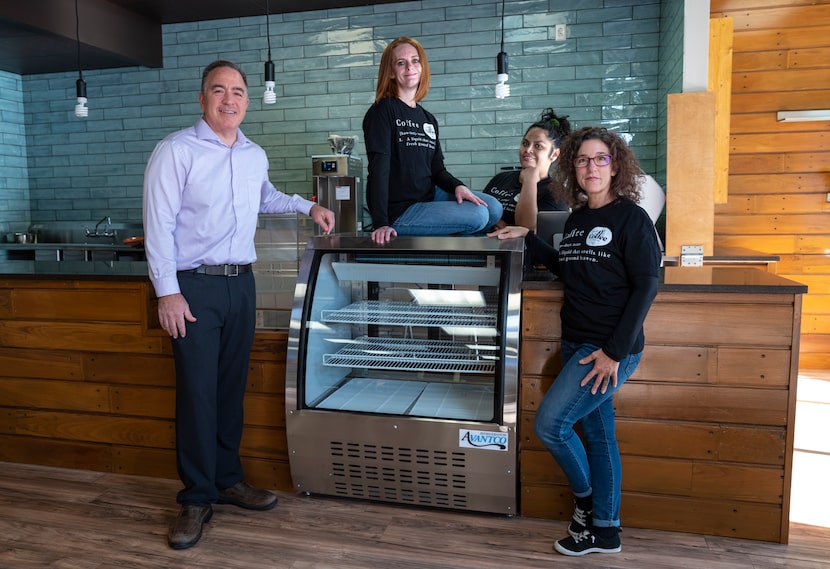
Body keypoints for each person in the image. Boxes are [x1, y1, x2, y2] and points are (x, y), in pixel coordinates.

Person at [143, 59, 335, 550]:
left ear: (247, 101)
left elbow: (263, 197)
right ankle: (195, 498)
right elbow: (158, 225)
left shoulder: (252, 153)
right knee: (197, 393)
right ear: (202, 98)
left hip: (240, 285)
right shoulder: (175, 151)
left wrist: (306, 205)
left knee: (230, 390)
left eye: (238, 92)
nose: (230, 100)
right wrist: (167, 292)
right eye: (219, 91)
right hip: (193, 288)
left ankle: (228, 479)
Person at [488, 126, 661, 556]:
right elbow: (569, 268)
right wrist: (527, 236)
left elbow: (646, 287)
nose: (591, 167)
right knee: (600, 439)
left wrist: (614, 353)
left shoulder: (631, 217)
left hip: (606, 350)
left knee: (551, 425)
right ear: (573, 168)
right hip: (577, 344)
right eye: (583, 160)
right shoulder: (579, 218)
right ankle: (606, 530)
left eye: (600, 158)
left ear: (615, 165)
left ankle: (585, 506)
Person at [362, 37, 502, 244]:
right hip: (401, 209)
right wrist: (381, 222)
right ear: (390, 72)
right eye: (401, 63)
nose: (410, 67)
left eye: (415, 61)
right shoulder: (382, 111)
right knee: (478, 216)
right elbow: (378, 170)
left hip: (428, 197)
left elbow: (437, 170)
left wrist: (458, 186)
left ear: (422, 67)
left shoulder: (428, 118)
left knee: (494, 207)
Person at [483, 108, 571, 230]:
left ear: (554, 154)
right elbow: (479, 211)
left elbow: (527, 229)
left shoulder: (557, 193)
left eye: (538, 146)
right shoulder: (501, 178)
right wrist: (492, 221)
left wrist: (529, 181)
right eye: (525, 143)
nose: (528, 150)